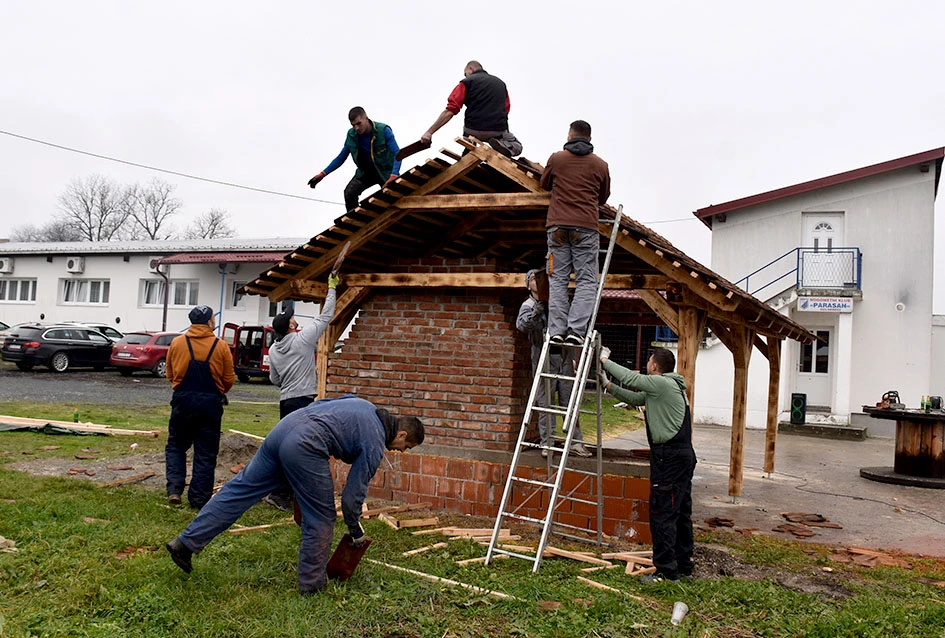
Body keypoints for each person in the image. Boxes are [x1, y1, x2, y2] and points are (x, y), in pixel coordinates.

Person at [165, 395, 424, 594]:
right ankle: (311, 585)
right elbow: (352, 496)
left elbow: (321, 404)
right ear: (401, 433)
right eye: (405, 446)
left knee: (239, 491)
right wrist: (355, 530)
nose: (401, 451)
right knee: (321, 517)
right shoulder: (375, 441)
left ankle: (185, 543)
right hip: (306, 444)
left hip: (284, 429)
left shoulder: (363, 405)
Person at [599, 346, 695, 583]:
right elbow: (634, 398)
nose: (647, 364)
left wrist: (604, 360)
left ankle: (665, 573)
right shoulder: (669, 389)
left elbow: (631, 378)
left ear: (655, 366)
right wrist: (607, 385)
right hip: (680, 456)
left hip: (670, 458)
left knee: (663, 512)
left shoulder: (661, 384)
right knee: (681, 512)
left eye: (649, 361)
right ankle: (684, 566)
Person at [541, 120, 611, 348]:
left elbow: (544, 184)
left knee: (558, 280)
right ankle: (576, 331)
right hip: (586, 228)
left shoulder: (557, 158)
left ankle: (557, 330)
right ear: (589, 139)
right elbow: (602, 198)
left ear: (570, 135)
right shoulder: (600, 165)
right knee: (587, 281)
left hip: (557, 227)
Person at [165, 305, 236, 509]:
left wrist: (180, 386)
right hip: (210, 404)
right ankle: (198, 500)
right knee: (205, 453)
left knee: (176, 446)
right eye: (213, 318)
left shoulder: (177, 343)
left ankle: (175, 490)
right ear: (208, 322)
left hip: (182, 401)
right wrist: (219, 390)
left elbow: (170, 373)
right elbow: (229, 378)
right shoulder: (220, 346)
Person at [516, 269, 590, 458]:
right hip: (544, 360)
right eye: (532, 279)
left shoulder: (558, 303)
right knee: (545, 404)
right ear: (528, 285)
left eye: (538, 279)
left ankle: (575, 442)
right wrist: (536, 312)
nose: (536, 282)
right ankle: (547, 443)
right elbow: (521, 325)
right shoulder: (528, 304)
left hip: (564, 359)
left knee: (569, 402)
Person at [268, 273, 341, 418]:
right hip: (303, 400)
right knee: (304, 438)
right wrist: (332, 288)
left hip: (285, 401)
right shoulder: (303, 339)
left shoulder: (272, 350)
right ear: (290, 325)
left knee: (289, 436)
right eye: (292, 317)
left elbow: (275, 379)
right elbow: (325, 316)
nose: (294, 318)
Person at [307, 107, 402, 212]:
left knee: (392, 194)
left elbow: (398, 154)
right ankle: (354, 219)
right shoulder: (352, 135)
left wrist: (394, 175)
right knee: (349, 192)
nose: (356, 128)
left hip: (385, 171)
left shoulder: (383, 130)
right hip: (366, 172)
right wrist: (322, 174)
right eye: (353, 125)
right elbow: (341, 157)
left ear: (366, 119)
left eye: (359, 123)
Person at [421, 60, 522, 158]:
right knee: (518, 146)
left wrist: (430, 132)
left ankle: (469, 146)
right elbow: (506, 109)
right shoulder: (501, 84)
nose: (466, 76)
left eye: (466, 73)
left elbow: (451, 110)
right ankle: (505, 146)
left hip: (472, 129)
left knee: (468, 135)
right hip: (497, 131)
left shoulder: (466, 82)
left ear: (471, 68)